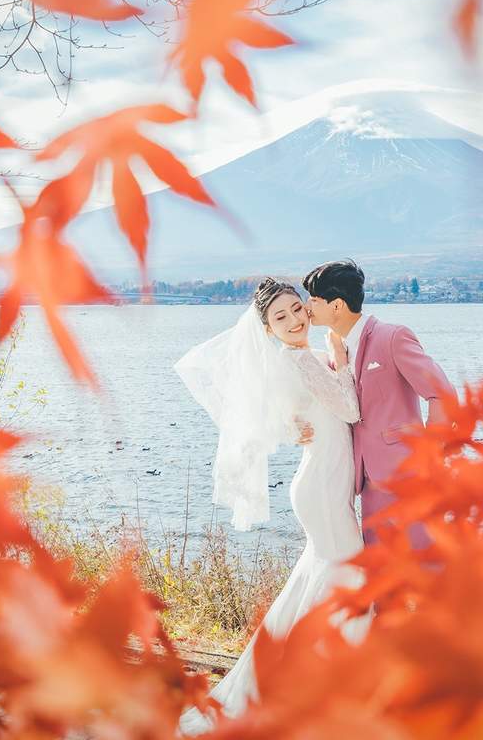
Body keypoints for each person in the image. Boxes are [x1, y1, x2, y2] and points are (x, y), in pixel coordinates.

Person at [174, 277, 371, 735]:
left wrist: (294, 421)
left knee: (319, 577)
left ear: (306, 308)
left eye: (296, 310)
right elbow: (350, 410)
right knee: (350, 571)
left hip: (318, 483)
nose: (293, 320)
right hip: (321, 486)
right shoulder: (301, 358)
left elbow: (293, 414)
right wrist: (342, 363)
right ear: (267, 329)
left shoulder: (294, 360)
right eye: (279, 317)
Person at [302, 259, 455, 550]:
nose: (308, 307)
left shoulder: (392, 337)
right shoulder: (338, 349)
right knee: (379, 569)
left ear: (336, 306)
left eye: (314, 300)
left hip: (408, 476)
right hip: (366, 480)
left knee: (427, 563)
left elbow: (441, 394)